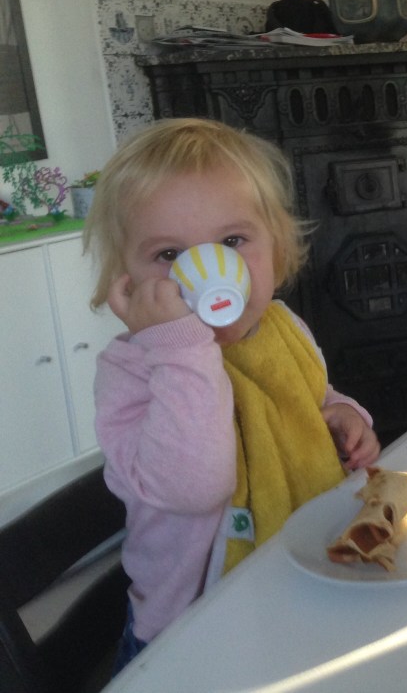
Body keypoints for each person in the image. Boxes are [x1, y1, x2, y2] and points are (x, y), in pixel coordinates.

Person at [83, 118, 381, 670]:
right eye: (169, 255)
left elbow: (302, 396)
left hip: (306, 584)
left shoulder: (281, 327)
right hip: (195, 632)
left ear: (276, 248)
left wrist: (341, 413)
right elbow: (195, 487)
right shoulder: (133, 370)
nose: (207, 272)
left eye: (231, 242)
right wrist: (180, 347)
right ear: (125, 278)